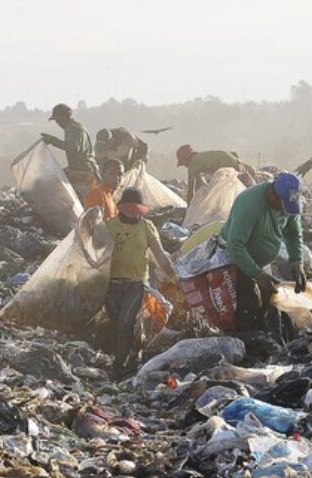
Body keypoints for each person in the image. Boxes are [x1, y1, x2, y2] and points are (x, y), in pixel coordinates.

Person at [98, 189, 177, 378]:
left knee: (126, 322)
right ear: (121, 208)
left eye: (137, 209)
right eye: (129, 208)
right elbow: (96, 253)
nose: (133, 212)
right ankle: (131, 356)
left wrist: (175, 277)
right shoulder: (109, 226)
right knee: (118, 324)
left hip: (136, 283)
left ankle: (118, 367)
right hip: (112, 285)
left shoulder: (147, 227)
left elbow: (160, 255)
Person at [220, 172, 306, 333]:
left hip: (261, 262)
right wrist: (256, 274)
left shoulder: (287, 204)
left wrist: (296, 261)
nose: (284, 212)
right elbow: (235, 245)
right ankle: (245, 343)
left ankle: (261, 336)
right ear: (272, 195)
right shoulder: (250, 204)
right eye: (283, 206)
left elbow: (293, 233)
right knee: (248, 307)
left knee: (267, 303)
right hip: (237, 261)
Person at [41, 102, 97, 200]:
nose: (57, 123)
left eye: (57, 119)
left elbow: (73, 148)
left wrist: (53, 140)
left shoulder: (71, 129)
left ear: (62, 117)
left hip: (82, 168)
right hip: (85, 166)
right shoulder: (77, 126)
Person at [176, 145, 258, 202]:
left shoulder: (193, 164)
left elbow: (191, 190)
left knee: (227, 191)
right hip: (233, 159)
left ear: (185, 159)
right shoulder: (199, 158)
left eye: (183, 163)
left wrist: (189, 209)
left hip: (227, 165)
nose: (185, 166)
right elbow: (199, 184)